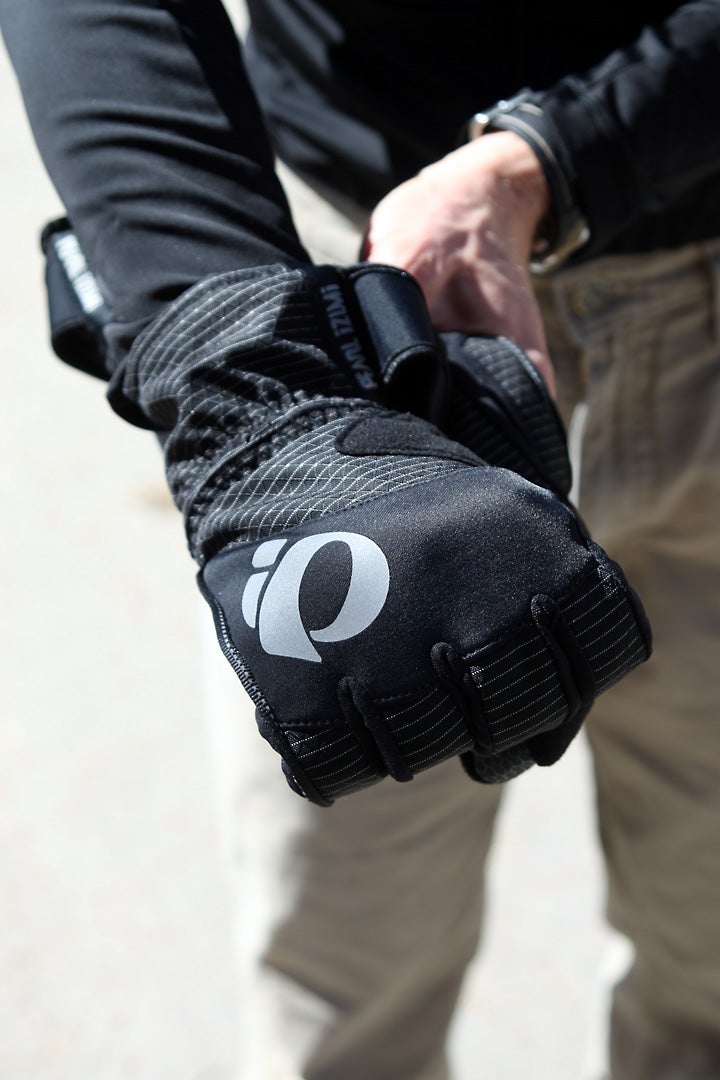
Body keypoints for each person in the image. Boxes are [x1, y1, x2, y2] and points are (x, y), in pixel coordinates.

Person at [0, 2, 718, 1077]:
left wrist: (557, 156)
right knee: (346, 1000)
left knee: (711, 969)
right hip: (347, 308)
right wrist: (249, 382)